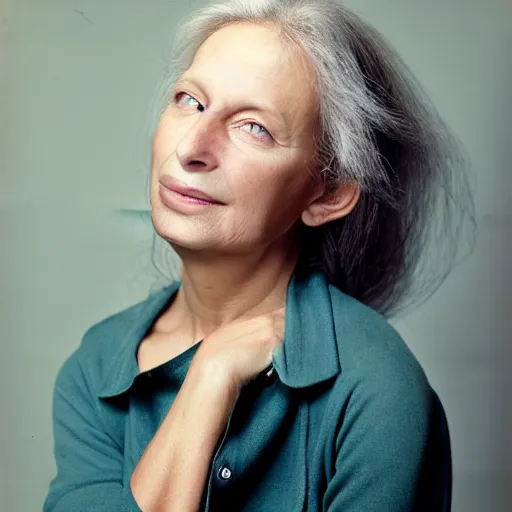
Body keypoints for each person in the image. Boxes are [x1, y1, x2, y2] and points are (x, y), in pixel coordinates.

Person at [43, 0, 476, 510]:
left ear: (327, 194)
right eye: (190, 100)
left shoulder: (376, 387)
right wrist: (209, 379)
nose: (191, 148)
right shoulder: (96, 367)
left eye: (254, 127)